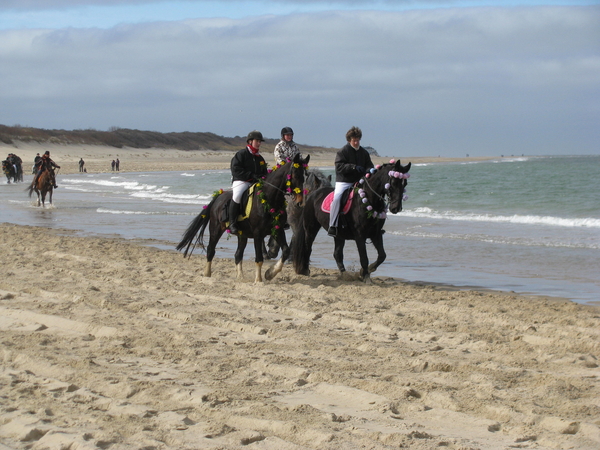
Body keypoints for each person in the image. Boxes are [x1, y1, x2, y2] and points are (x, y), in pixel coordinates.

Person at [328, 126, 374, 237]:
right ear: (349, 140)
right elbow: (339, 167)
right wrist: (353, 167)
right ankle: (332, 225)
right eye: (354, 140)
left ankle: (373, 226)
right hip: (344, 182)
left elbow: (369, 165)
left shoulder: (364, 152)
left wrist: (369, 170)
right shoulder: (343, 151)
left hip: (359, 181)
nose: (356, 142)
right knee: (337, 197)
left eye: (358, 140)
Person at [228, 130, 268, 234]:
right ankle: (232, 222)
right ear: (250, 141)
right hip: (241, 181)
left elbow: (264, 172)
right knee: (237, 195)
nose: (259, 143)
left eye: (260, 142)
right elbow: (235, 169)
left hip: (255, 182)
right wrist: (250, 175)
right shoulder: (241, 154)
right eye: (257, 141)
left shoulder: (260, 158)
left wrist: (263, 176)